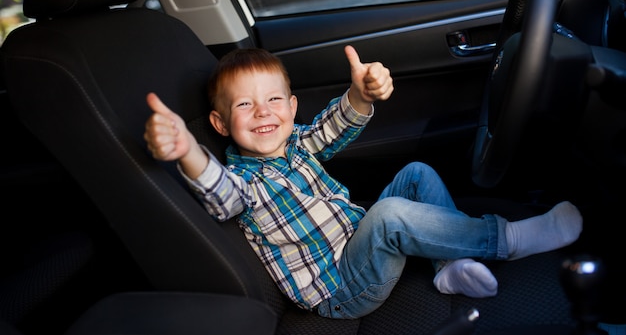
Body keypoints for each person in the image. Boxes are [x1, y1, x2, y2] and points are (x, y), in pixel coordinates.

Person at [143, 45, 583, 319]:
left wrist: (360, 95)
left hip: (358, 244)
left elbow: (329, 130)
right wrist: (188, 152)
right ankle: (507, 238)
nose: (263, 112)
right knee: (390, 217)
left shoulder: (295, 144)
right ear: (219, 124)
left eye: (274, 99)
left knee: (416, 175)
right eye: (245, 104)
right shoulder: (242, 180)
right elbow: (220, 196)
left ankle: (446, 268)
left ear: (292, 107)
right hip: (342, 290)